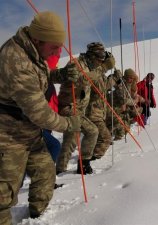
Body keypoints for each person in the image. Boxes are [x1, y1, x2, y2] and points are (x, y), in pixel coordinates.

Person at [0, 11, 81, 224]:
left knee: (45, 172)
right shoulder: (15, 60)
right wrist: (68, 124)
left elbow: (43, 75)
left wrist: (61, 75)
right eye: (54, 48)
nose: (56, 52)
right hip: (8, 137)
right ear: (37, 39)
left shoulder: (34, 51)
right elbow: (39, 113)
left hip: (30, 133)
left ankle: (37, 216)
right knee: (3, 195)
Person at [56, 42, 107, 175]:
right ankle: (83, 164)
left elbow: (101, 88)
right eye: (99, 56)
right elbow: (81, 80)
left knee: (70, 141)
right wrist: (101, 70)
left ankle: (59, 170)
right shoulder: (76, 64)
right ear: (91, 55)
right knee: (92, 131)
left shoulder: (92, 67)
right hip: (69, 107)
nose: (101, 60)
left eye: (104, 56)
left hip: (78, 109)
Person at [86, 51, 116, 160]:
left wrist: (114, 79)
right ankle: (92, 158)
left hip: (99, 112)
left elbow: (104, 87)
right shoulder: (94, 73)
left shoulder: (101, 74)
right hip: (92, 112)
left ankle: (90, 156)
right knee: (106, 138)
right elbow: (100, 88)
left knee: (100, 136)